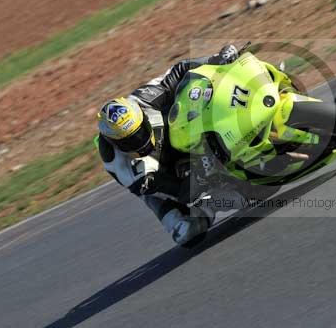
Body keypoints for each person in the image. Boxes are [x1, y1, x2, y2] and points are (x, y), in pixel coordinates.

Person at [96, 45, 244, 246]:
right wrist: (201, 177)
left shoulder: (142, 100)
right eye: (130, 140)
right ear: (115, 142)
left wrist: (217, 58)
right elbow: (180, 193)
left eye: (139, 132)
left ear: (141, 116)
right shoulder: (124, 166)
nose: (140, 140)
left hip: (181, 127)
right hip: (162, 175)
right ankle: (211, 206)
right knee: (188, 234)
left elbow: (179, 70)